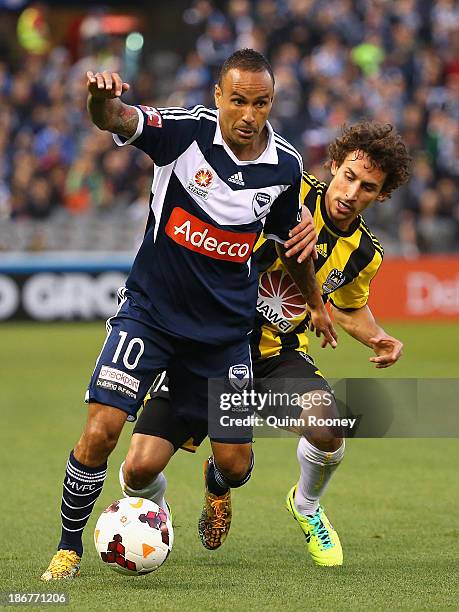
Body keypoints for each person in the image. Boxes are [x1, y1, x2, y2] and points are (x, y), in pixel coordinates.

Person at [41, 48, 335, 581]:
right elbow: (118, 119)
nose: (249, 115)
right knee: (103, 429)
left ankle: (215, 485)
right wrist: (98, 101)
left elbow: (294, 245)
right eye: (238, 101)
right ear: (219, 96)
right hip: (149, 316)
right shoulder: (184, 134)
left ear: (273, 102)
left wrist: (314, 303)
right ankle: (68, 549)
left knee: (235, 465)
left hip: (224, 337)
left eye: (261, 103)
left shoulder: (285, 167)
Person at [120, 121, 411, 566]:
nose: (351, 192)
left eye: (367, 187)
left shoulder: (365, 254)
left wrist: (378, 337)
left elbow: (349, 307)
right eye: (349, 176)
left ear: (382, 195)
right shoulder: (283, 187)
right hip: (207, 346)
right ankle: (160, 511)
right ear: (334, 165)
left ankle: (307, 506)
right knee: (138, 470)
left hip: (278, 358)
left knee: (328, 427)